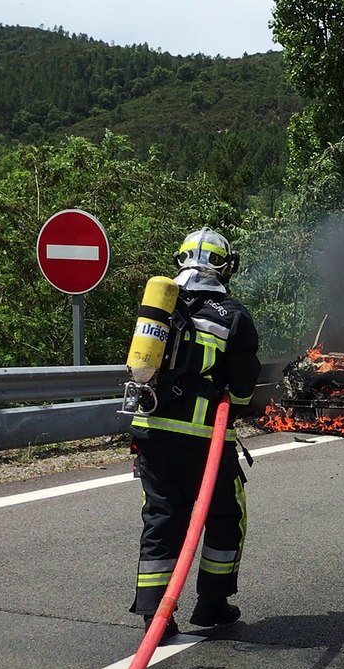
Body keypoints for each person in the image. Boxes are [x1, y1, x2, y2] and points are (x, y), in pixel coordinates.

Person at [128, 227, 261, 641]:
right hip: (204, 439)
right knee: (225, 514)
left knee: (162, 517)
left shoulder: (160, 310)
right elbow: (242, 387)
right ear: (225, 266)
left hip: (150, 432)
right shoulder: (233, 316)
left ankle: (155, 615)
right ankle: (212, 603)